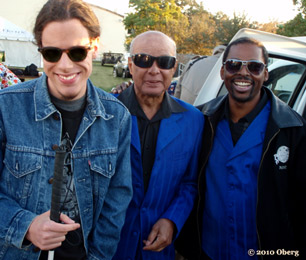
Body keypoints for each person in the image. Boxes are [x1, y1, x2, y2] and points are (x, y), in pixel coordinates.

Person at [0, 0, 133, 259]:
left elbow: (116, 200)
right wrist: (25, 225)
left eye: (77, 52)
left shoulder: (116, 117)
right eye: (52, 53)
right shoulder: (6, 108)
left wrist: (98, 256)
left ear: (94, 47)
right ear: (40, 51)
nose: (64, 65)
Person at [176, 37, 306, 260]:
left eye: (254, 66)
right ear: (222, 72)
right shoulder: (200, 121)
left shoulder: (293, 130)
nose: (243, 73)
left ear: (265, 74)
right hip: (208, 251)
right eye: (234, 65)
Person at [112, 31, 204, 260]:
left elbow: (190, 182)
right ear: (131, 66)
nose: (154, 70)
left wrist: (172, 220)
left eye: (164, 62)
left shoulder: (193, 120)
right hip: (109, 246)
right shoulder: (105, 113)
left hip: (158, 249)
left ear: (174, 69)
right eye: (144, 60)